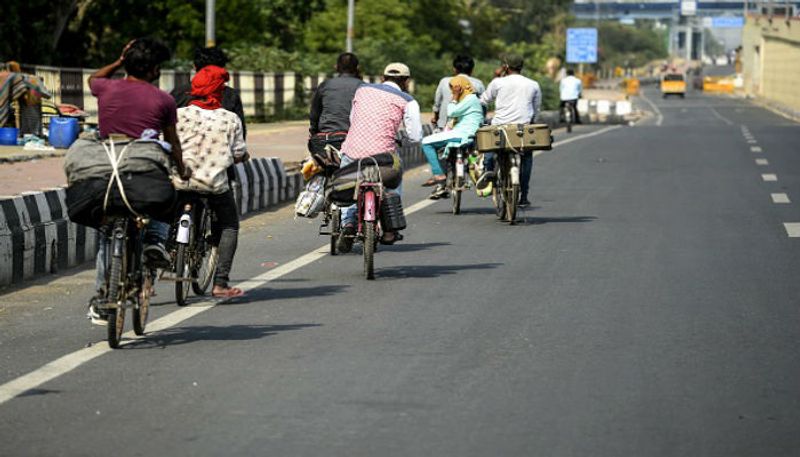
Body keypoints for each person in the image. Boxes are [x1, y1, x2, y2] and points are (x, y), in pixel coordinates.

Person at [86, 38, 190, 322]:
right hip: (143, 169)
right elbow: (173, 143)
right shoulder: (163, 100)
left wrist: (119, 61)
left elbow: (94, 77)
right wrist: (183, 170)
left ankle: (102, 297)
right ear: (155, 69)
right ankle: (155, 239)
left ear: (127, 63)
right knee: (166, 190)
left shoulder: (106, 87)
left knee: (106, 235)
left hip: (106, 169)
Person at [175, 64, 248, 298]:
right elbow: (238, 153)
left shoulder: (178, 115)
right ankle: (220, 282)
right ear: (219, 90)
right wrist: (241, 156)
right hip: (214, 186)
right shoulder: (230, 119)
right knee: (229, 225)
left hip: (180, 182)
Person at [336, 62, 423, 253]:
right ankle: (390, 229)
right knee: (394, 178)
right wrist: (403, 139)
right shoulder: (408, 101)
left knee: (347, 185)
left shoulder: (362, 90)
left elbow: (352, 119)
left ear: (382, 78)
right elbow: (416, 135)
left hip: (352, 151)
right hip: (383, 157)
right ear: (406, 82)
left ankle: (348, 223)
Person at [171, 47, 245, 189]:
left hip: (180, 175)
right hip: (216, 178)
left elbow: (166, 135)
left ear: (194, 67)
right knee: (226, 207)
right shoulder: (230, 101)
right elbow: (239, 143)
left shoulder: (178, 94)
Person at [479, 54, 542, 208]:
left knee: (490, 150)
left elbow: (484, 100)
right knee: (527, 157)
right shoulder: (533, 84)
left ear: (506, 67)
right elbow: (536, 109)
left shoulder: (498, 82)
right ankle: (524, 195)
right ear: (521, 67)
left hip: (501, 128)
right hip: (522, 129)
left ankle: (488, 172)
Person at [425, 55, 485, 186]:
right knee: (474, 150)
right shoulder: (478, 84)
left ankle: (440, 182)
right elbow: (483, 105)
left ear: (454, 69)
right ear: (472, 69)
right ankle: (473, 169)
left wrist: (435, 116)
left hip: (448, 126)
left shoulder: (445, 81)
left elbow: (438, 103)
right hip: (470, 129)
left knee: (437, 147)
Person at [307, 52, 362, 159]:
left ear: (336, 67)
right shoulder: (363, 86)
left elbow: (314, 114)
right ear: (357, 68)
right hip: (352, 142)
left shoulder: (325, 85)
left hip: (324, 141)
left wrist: (314, 134)